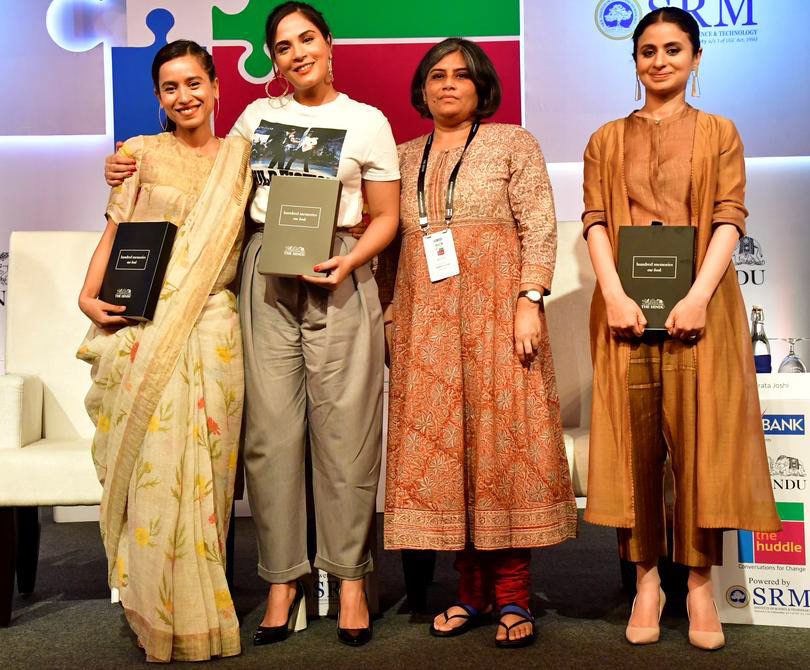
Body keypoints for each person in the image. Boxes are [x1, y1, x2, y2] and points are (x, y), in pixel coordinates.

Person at [581, 7, 779, 650]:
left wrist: (696, 296)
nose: (659, 60)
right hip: (625, 314)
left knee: (702, 446)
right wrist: (611, 294)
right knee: (634, 447)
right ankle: (645, 580)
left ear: (696, 58)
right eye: (646, 51)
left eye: (672, 49)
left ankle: (697, 584)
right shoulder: (605, 138)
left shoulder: (720, 131)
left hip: (703, 310)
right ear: (633, 61)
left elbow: (729, 215)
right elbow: (595, 222)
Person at [377, 38, 577, 649]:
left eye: (461, 76)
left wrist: (529, 299)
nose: (447, 85)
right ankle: (470, 593)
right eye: (436, 76)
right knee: (447, 459)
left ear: (481, 86)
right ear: (422, 87)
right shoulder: (403, 157)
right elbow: (390, 243)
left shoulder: (514, 142)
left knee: (501, 451)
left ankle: (513, 596)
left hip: (499, 321)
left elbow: (540, 223)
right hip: (425, 328)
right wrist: (391, 322)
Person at [77, 40, 251, 662]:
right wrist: (87, 294)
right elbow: (116, 233)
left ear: (215, 86)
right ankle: (152, 607)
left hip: (214, 327)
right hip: (146, 324)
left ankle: (205, 604)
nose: (184, 97)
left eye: (194, 83)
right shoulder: (138, 155)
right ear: (158, 98)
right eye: (170, 88)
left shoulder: (244, 158)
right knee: (153, 462)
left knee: (208, 469)